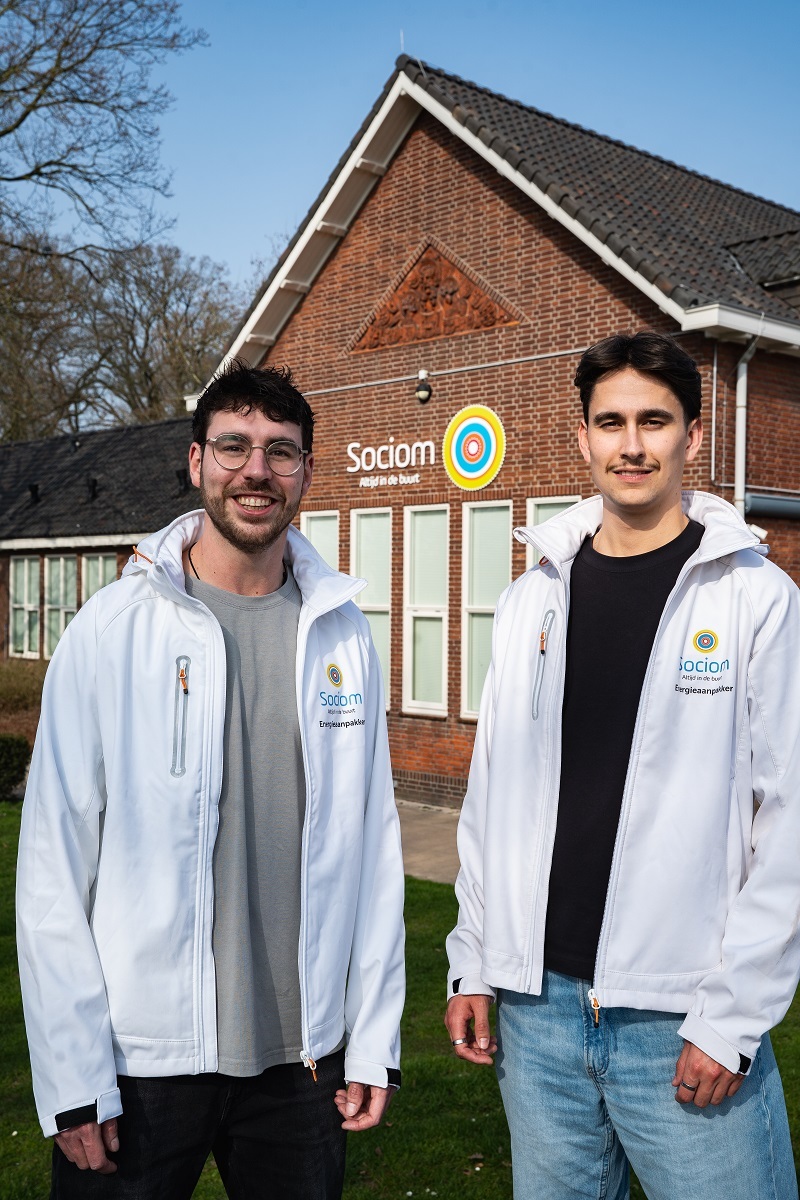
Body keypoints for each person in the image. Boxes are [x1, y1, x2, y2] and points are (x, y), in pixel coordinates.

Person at [17, 361, 405, 1199]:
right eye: (233, 446)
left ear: (307, 470)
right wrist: (73, 1073)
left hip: (301, 1064)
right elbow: (53, 868)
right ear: (196, 463)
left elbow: (372, 851)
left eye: (281, 451)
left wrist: (371, 1041)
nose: (256, 470)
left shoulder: (341, 637)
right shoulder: (112, 630)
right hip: (139, 1063)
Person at [445, 331, 800, 1199]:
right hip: (538, 1020)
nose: (631, 445)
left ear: (692, 435)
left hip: (681, 1019)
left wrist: (733, 1017)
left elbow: (791, 817)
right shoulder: (532, 597)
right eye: (610, 422)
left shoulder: (753, 598)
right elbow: (493, 794)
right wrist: (474, 958)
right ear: (583, 438)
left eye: (654, 421)